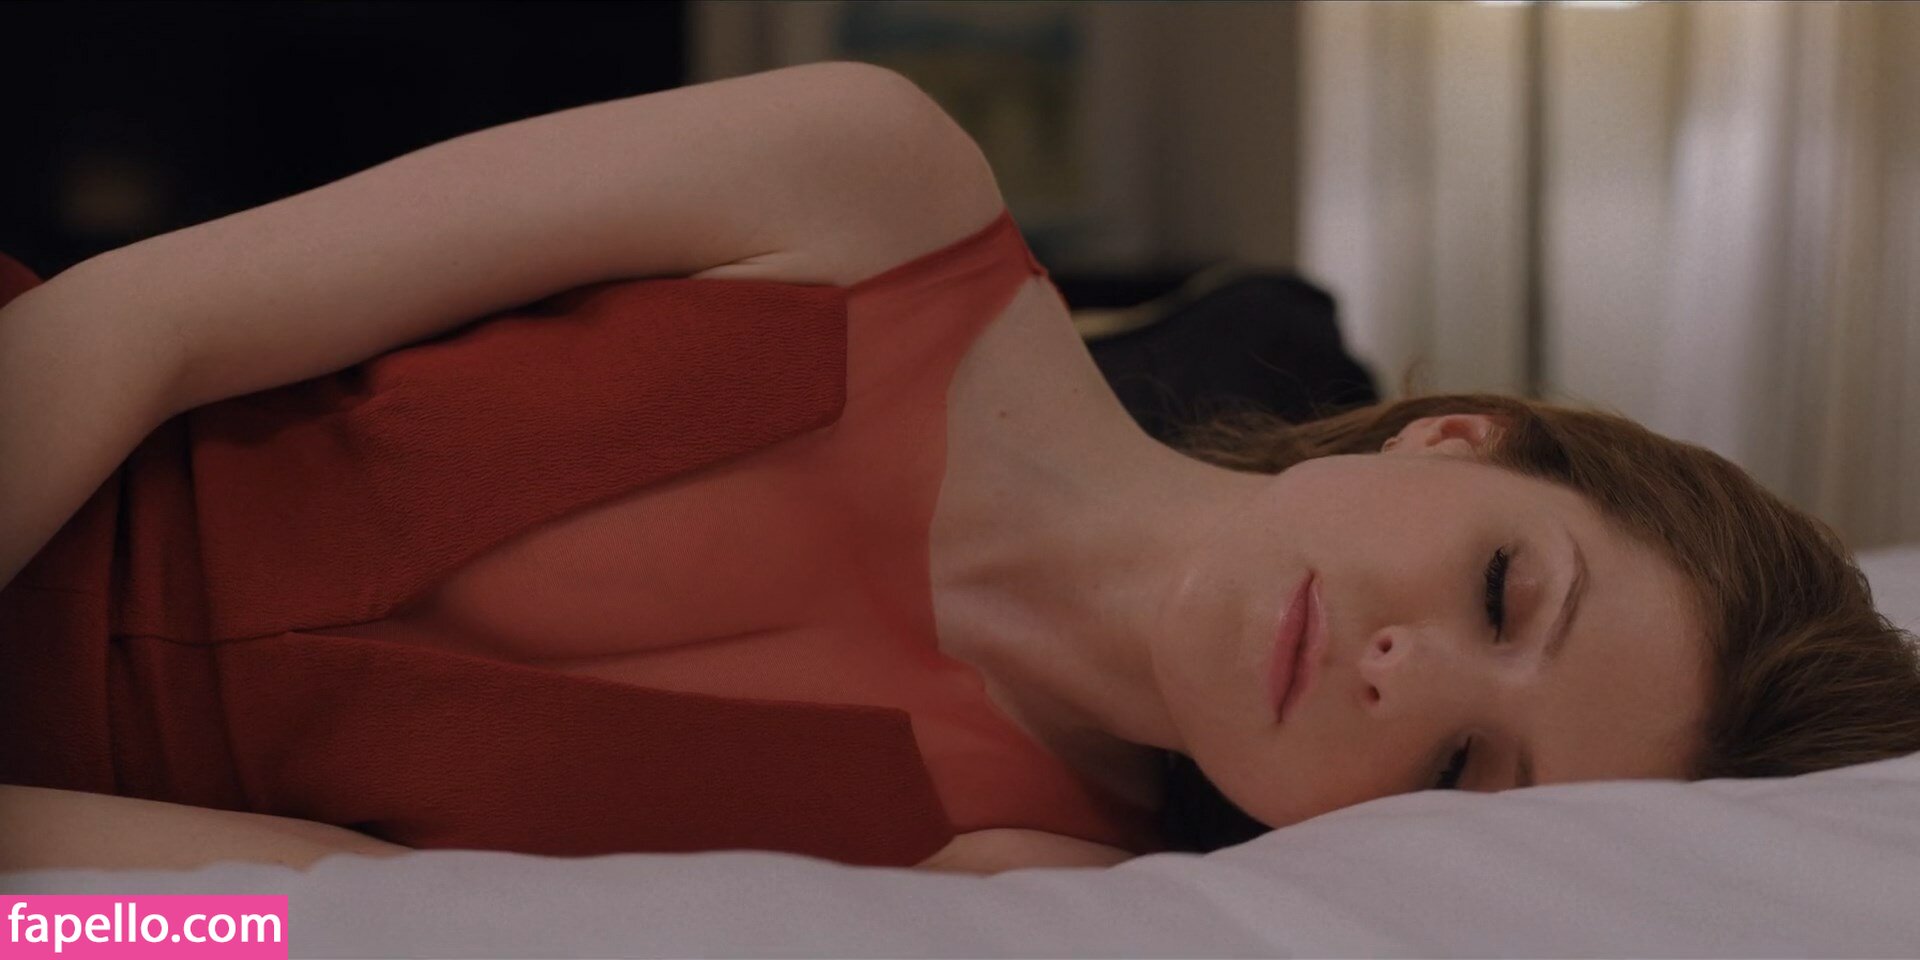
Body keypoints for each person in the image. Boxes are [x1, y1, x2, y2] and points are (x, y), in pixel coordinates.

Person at [2, 62, 1916, 875]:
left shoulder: (1019, 891)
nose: (1407, 680)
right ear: (1457, 437)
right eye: (1506, 589)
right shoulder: (867, 175)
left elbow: (320, 913)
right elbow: (138, 317)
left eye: (1463, 774)